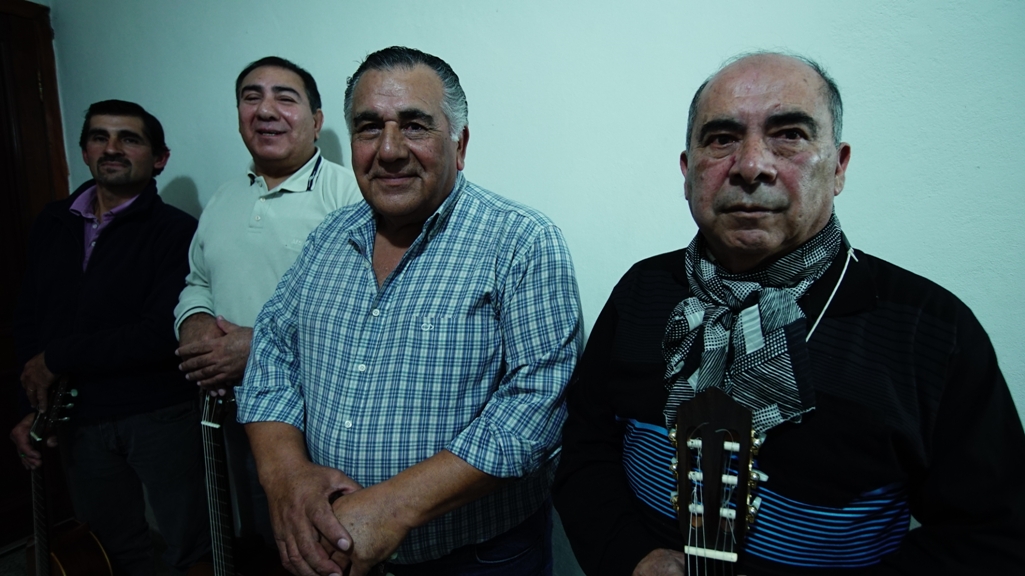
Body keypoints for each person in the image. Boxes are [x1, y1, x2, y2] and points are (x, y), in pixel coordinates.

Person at [553, 52, 1025, 576]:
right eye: (721, 139)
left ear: (840, 165)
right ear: (687, 171)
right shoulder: (643, 290)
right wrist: (632, 559)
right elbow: (584, 451)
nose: (752, 165)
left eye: (790, 134)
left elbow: (991, 538)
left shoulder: (933, 330)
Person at [236, 46, 582, 576]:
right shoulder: (329, 237)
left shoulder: (521, 242)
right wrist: (286, 477)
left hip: (476, 559)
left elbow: (536, 409)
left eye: (415, 126)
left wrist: (390, 507)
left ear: (459, 144)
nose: (390, 149)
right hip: (330, 545)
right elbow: (273, 353)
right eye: (369, 127)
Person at [9, 100, 210, 574]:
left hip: (159, 414)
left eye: (129, 138)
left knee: (190, 545)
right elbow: (30, 317)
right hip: (77, 415)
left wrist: (58, 355)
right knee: (110, 550)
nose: (112, 148)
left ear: (159, 158)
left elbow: (159, 333)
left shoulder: (175, 231)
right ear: (84, 151)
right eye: (100, 137)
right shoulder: (53, 222)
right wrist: (33, 401)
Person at [173, 56, 361, 547]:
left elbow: (367, 308)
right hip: (233, 410)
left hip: (315, 417)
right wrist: (194, 326)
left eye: (285, 97)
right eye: (251, 97)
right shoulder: (223, 198)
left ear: (317, 121)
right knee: (259, 534)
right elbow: (197, 280)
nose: (265, 109)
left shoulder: (350, 196)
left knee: (321, 539)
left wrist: (257, 347)